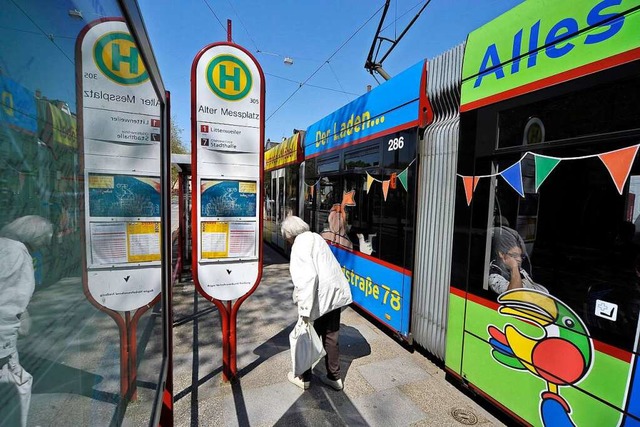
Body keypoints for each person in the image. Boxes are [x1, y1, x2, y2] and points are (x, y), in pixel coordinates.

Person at [281, 215, 353, 391]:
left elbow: (307, 278)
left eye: (287, 238)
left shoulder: (299, 246)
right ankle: (334, 378)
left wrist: (304, 311)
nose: (288, 241)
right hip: (334, 295)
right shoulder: (316, 237)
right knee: (331, 336)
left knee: (306, 336)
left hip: (317, 297)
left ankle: (304, 377)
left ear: (290, 235)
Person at [0, 215, 53, 427]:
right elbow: (10, 301)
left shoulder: (4, 245)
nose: (44, 245)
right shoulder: (17, 253)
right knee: (17, 384)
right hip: (3, 340)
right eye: (43, 239)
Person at [488, 227, 548, 295]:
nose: (519, 259)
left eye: (521, 256)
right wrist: (514, 267)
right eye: (514, 255)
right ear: (502, 254)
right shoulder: (494, 274)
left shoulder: (520, 269)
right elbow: (515, 295)